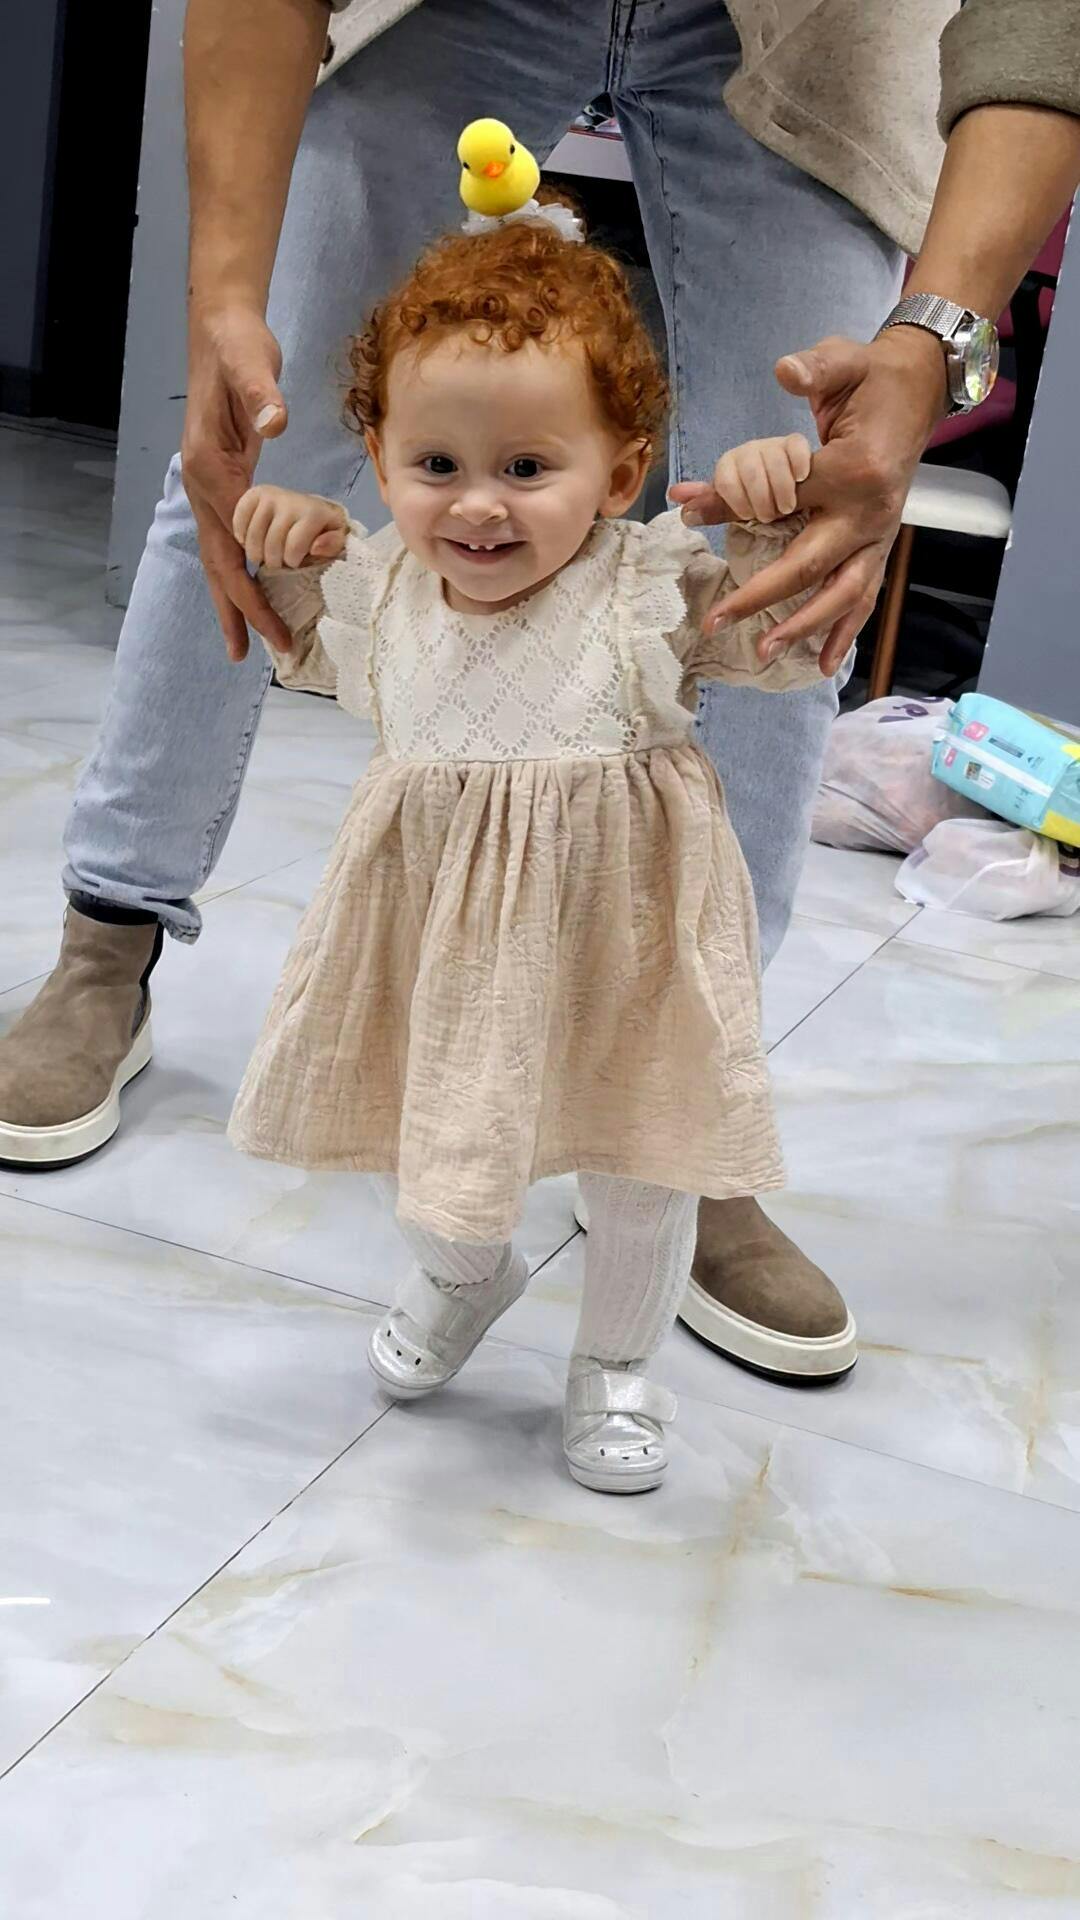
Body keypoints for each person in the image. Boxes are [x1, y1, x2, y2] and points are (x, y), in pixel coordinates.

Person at [1, 0, 1078, 1386]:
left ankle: (685, 1107)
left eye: (521, 482)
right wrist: (223, 300)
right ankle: (109, 936)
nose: (481, 510)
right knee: (248, 438)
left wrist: (931, 338)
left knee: (795, 507)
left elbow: (1042, 27)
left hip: (810, 25)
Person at [226, 199, 833, 1492]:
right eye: (436, 463)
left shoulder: (643, 585)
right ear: (380, 456)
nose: (477, 505)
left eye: (526, 467)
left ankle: (615, 1363)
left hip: (624, 940)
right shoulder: (383, 590)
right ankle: (466, 1273)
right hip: (438, 941)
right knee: (419, 1131)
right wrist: (277, 545)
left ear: (619, 475)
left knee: (639, 1166)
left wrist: (774, 526)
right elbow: (308, 650)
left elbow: (777, 647)